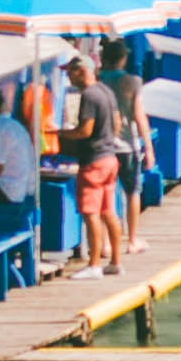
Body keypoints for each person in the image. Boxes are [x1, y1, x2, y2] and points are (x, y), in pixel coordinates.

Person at [57, 56, 123, 279]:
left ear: (80, 71)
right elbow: (117, 123)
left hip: (93, 161)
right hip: (110, 158)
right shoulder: (106, 91)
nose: (68, 77)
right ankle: (115, 261)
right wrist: (106, 140)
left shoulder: (89, 95)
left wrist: (59, 134)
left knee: (90, 213)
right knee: (108, 212)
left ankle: (94, 265)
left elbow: (85, 131)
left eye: (69, 72)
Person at [98, 39, 151, 255]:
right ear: (123, 58)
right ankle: (132, 240)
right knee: (132, 192)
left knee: (106, 194)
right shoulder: (133, 82)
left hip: (104, 146)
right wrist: (148, 147)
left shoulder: (97, 81)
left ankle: (105, 244)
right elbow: (139, 116)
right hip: (128, 145)